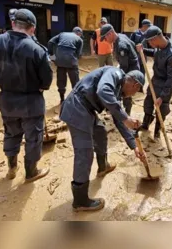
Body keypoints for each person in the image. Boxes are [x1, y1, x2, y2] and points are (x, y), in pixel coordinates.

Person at [0, 9, 53, 183]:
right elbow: (47, 80)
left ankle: (12, 167)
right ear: (33, 28)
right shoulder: (37, 49)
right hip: (31, 102)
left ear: (13, 23)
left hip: (7, 101)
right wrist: (42, 87)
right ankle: (31, 172)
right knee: (33, 138)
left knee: (11, 134)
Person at [59, 67, 146, 212]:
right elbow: (102, 91)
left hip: (86, 110)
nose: (133, 95)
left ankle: (102, 166)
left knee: (100, 132)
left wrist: (134, 146)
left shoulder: (118, 90)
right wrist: (127, 118)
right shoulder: (115, 74)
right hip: (77, 108)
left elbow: (119, 121)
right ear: (135, 85)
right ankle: (80, 201)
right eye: (136, 91)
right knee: (84, 153)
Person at [136, 26, 172, 139]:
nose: (149, 44)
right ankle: (146, 124)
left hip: (166, 84)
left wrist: (162, 96)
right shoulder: (159, 46)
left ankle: (157, 130)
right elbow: (155, 53)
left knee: (161, 109)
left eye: (149, 42)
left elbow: (171, 79)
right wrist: (143, 50)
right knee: (148, 103)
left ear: (155, 39)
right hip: (155, 81)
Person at [100, 23, 140, 115]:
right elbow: (133, 46)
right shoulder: (121, 36)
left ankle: (126, 113)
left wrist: (116, 73)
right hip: (129, 66)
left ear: (110, 34)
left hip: (130, 70)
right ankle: (117, 109)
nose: (105, 41)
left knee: (125, 89)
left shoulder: (121, 45)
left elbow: (124, 67)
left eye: (105, 38)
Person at [48, 27, 83, 104]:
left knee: (61, 81)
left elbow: (50, 42)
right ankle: (76, 101)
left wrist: (52, 57)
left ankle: (62, 99)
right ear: (79, 33)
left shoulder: (62, 34)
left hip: (59, 61)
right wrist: (73, 62)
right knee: (75, 82)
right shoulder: (79, 39)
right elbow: (79, 55)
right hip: (71, 61)